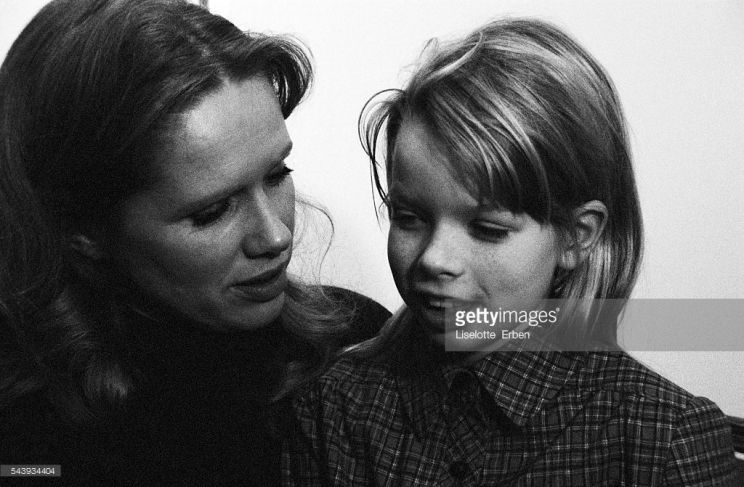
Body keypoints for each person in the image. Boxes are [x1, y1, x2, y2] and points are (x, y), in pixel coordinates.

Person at [283, 18, 737, 485]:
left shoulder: (664, 441)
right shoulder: (335, 402)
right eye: (409, 217)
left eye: (487, 229)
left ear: (576, 236)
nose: (435, 258)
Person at [0, 0, 389, 485]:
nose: (276, 236)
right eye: (212, 212)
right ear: (85, 234)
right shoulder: (26, 444)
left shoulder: (362, 343)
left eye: (277, 174)